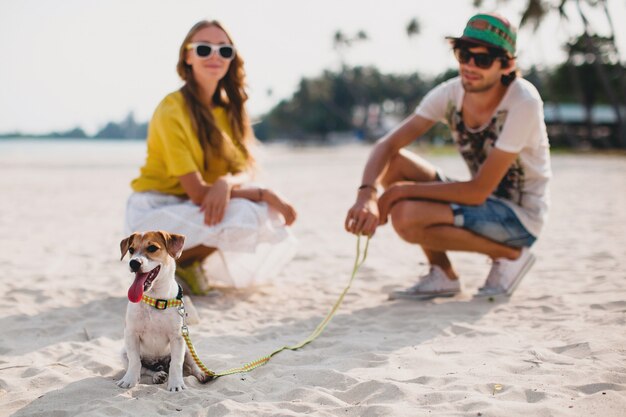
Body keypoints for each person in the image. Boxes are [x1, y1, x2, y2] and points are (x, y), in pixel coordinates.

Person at [345, 13, 551, 299]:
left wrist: (395, 194)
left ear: (507, 64)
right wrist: (366, 195)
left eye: (482, 59)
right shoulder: (450, 93)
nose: (469, 66)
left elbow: (477, 191)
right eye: (463, 54)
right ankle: (443, 275)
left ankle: (511, 254)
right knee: (394, 164)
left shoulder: (523, 102)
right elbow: (387, 145)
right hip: (482, 200)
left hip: (519, 217)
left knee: (405, 215)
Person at [125, 20, 297, 294]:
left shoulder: (230, 109)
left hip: (197, 205)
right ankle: (172, 264)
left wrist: (226, 182)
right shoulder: (172, 110)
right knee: (254, 208)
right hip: (155, 210)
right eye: (204, 49)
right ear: (188, 56)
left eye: (224, 50)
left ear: (232, 58)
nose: (215, 55)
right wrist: (263, 192)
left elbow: (243, 169)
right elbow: (197, 192)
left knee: (259, 213)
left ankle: (186, 265)